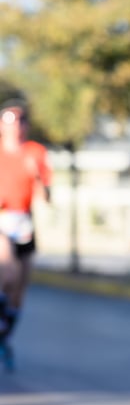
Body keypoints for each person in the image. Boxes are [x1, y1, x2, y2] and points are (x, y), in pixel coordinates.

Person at [0, 100, 52, 370]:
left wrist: (38, 178)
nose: (15, 126)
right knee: (8, 269)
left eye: (20, 121)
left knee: (20, 289)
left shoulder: (36, 152)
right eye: (9, 120)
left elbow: (46, 198)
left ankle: (4, 335)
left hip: (25, 223)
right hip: (1, 222)